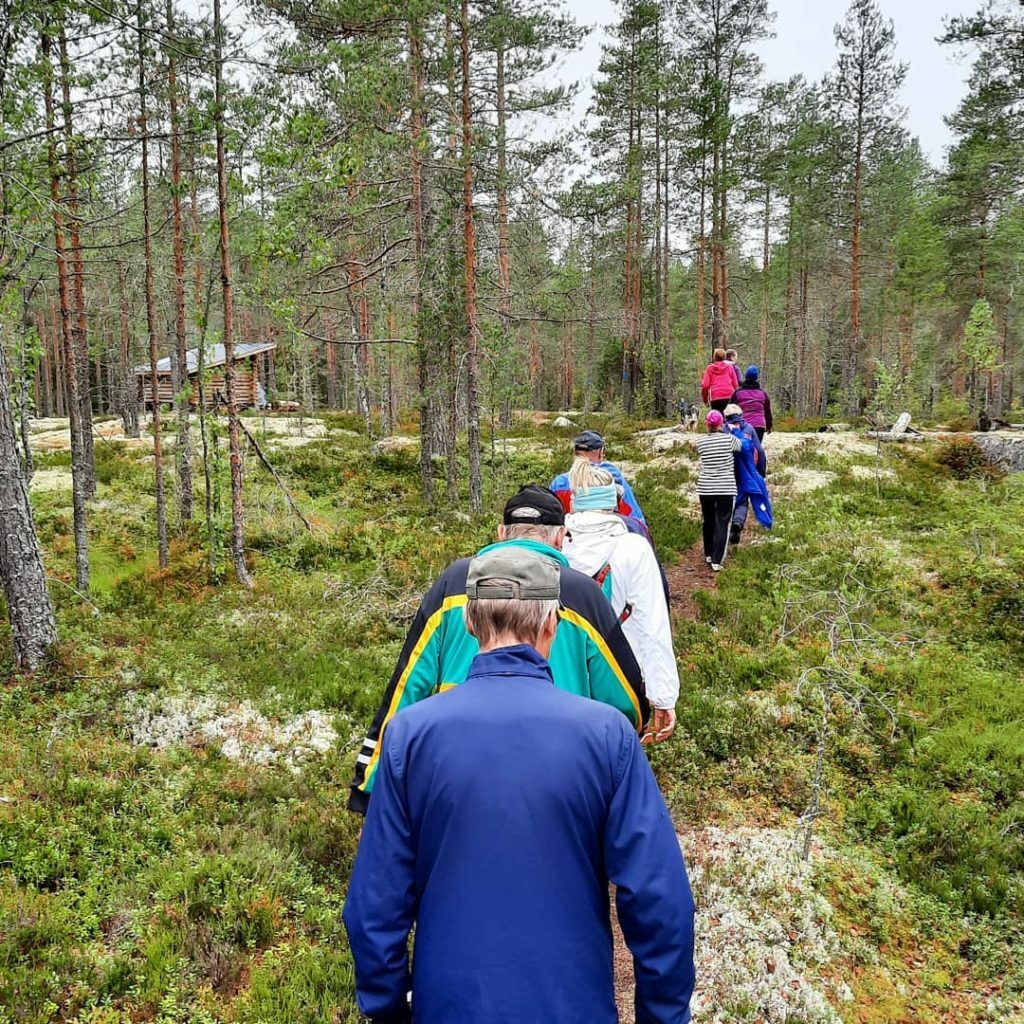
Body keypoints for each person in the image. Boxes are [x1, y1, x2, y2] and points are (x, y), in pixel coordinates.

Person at [343, 547, 696, 1024]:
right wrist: (662, 1015)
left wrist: (386, 1008)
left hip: (448, 1005)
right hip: (574, 1005)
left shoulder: (410, 736)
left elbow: (374, 905)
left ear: (470, 621)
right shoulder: (608, 736)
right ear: (551, 624)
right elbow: (660, 902)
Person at [347, 484, 648, 814]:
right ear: (561, 536)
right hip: (560, 765)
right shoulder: (581, 593)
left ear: (501, 532)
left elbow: (408, 684)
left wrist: (370, 782)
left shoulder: (455, 582)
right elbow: (626, 700)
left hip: (456, 764)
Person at [564, 460, 679, 742]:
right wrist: (662, 696)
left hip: (562, 676)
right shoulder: (632, 547)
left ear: (575, 502)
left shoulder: (555, 545)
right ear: (616, 501)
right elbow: (652, 623)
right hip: (620, 673)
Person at [550, 430, 646, 523]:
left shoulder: (559, 483)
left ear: (574, 452)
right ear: (601, 452)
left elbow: (551, 520)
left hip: (571, 536)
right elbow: (635, 519)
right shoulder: (614, 480)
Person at [695, 410, 742, 571]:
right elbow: (741, 446)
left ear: (707, 424)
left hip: (705, 487)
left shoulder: (700, 442)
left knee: (708, 520)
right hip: (725, 487)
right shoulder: (730, 440)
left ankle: (708, 553)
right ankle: (717, 560)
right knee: (723, 522)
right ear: (721, 424)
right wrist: (734, 429)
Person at [724, 404, 773, 547]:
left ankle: (726, 527)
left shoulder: (723, 429)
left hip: (728, 470)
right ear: (741, 414)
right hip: (746, 470)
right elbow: (759, 451)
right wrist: (760, 472)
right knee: (743, 499)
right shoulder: (749, 429)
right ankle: (738, 523)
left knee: (729, 498)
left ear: (726, 416)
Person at [731, 365, 773, 440]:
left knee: (744, 448)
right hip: (759, 425)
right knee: (757, 448)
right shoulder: (762, 393)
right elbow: (767, 411)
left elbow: (730, 410)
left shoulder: (738, 393)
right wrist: (769, 426)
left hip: (743, 425)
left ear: (746, 376)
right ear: (757, 378)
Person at [700, 348, 738, 413]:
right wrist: (736, 397)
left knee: (717, 419)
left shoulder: (709, 368)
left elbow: (705, 386)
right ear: (724, 357)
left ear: (714, 357)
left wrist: (705, 400)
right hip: (729, 396)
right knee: (729, 418)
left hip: (716, 397)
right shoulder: (729, 367)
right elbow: (735, 384)